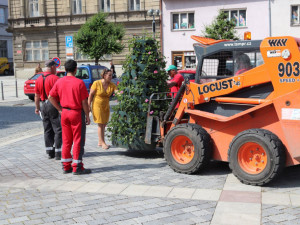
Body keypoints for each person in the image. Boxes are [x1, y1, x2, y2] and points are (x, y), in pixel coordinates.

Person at [48, 59, 91, 175]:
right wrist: (87, 115)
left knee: (66, 140)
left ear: (65, 69)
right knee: (78, 140)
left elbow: (50, 97)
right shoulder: (79, 83)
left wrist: (59, 109)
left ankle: (66, 166)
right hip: (76, 113)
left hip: (65, 113)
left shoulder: (59, 81)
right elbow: (84, 102)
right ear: (76, 69)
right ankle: (77, 166)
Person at [34, 60, 62, 160]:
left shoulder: (38, 79)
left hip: (43, 104)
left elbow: (36, 96)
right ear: (53, 67)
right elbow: (60, 94)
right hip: (53, 104)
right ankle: (58, 152)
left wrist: (37, 108)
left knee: (47, 129)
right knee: (58, 128)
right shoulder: (56, 78)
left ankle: (50, 151)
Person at [88, 69, 117, 150]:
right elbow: (90, 95)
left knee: (104, 124)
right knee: (100, 124)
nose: (111, 77)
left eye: (111, 75)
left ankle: (100, 141)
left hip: (105, 105)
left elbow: (118, 92)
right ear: (104, 75)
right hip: (97, 105)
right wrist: (88, 106)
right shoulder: (96, 83)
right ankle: (103, 142)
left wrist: (123, 92)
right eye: (109, 75)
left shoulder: (111, 85)